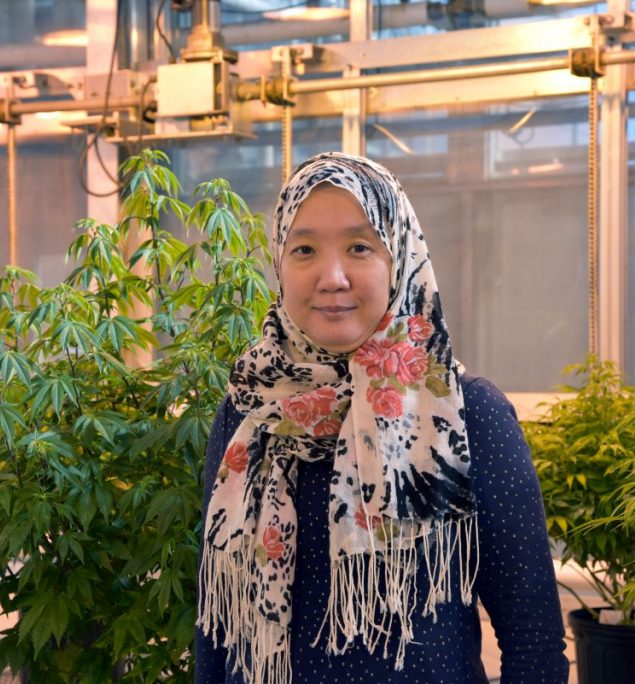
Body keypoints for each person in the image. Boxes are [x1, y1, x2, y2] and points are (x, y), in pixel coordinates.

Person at [195, 152, 569, 684]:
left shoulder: (468, 414)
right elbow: (217, 630)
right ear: (280, 264)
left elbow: (534, 644)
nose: (332, 277)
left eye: (359, 247)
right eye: (304, 249)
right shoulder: (247, 410)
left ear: (401, 258)